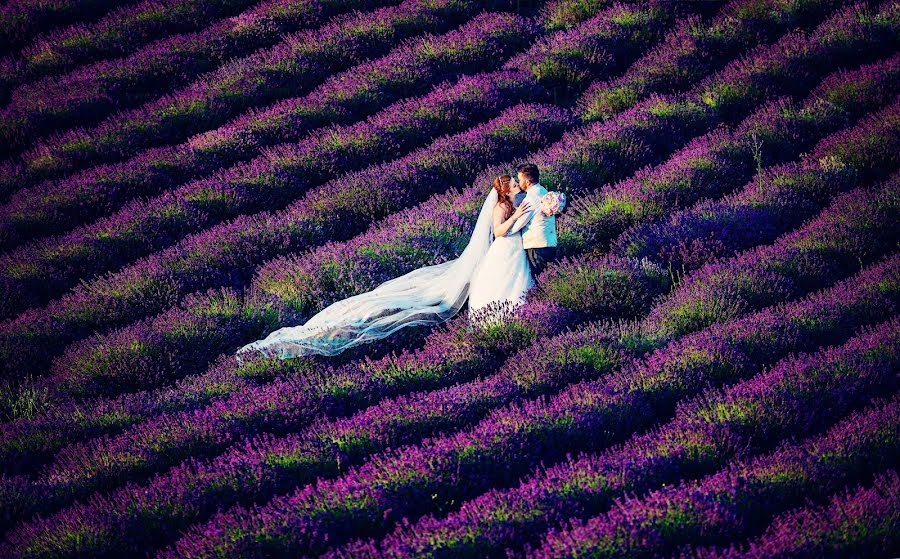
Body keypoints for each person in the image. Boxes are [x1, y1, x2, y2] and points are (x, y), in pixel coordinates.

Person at [236, 174, 537, 362]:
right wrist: (520, 214)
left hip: (509, 253)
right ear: (504, 192)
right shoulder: (501, 207)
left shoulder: (514, 202)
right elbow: (499, 232)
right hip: (503, 248)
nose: (517, 186)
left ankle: (508, 322)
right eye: (513, 184)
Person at [508, 162, 558, 279]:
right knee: (548, 278)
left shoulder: (530, 198)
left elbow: (518, 225)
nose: (518, 183)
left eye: (520, 179)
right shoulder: (544, 191)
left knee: (540, 279)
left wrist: (505, 233)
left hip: (537, 245)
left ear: (527, 181)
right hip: (549, 242)